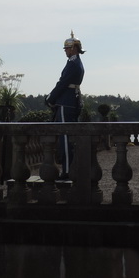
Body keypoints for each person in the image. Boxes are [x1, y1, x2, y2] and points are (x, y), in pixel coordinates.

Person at [45, 31, 85, 179]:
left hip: (66, 103)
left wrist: (51, 98)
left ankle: (67, 171)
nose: (65, 51)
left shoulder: (73, 64)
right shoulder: (75, 63)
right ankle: (70, 169)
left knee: (65, 138)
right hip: (71, 101)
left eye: (67, 48)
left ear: (73, 48)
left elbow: (62, 84)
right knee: (68, 138)